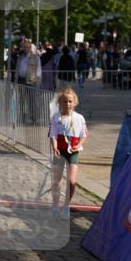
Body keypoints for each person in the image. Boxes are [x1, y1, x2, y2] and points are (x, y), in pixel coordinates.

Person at [49, 87, 88, 219]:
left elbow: (84, 134)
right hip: (60, 151)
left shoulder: (79, 118)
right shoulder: (56, 118)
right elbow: (53, 135)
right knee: (57, 181)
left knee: (71, 181)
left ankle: (66, 206)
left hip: (73, 152)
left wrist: (79, 145)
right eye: (65, 101)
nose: (68, 104)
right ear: (60, 102)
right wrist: (54, 148)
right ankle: (55, 206)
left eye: (70, 101)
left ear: (74, 102)